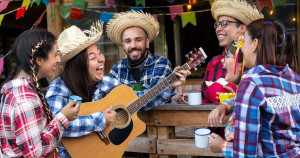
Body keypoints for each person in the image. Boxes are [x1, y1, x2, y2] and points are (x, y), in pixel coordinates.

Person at [211, 19, 300, 157]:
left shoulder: (251, 83)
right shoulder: (295, 79)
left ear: (254, 44)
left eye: (243, 42)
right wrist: (226, 105)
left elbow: (245, 153)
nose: (241, 48)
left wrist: (222, 147)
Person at [0, 29, 80, 157]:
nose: (58, 60)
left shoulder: (17, 90)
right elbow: (34, 153)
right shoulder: (25, 100)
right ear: (39, 60)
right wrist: (63, 118)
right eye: (55, 54)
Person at [45, 22, 118, 157]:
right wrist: (100, 120)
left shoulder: (106, 82)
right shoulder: (58, 89)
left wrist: (168, 86)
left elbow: (133, 96)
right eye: (93, 58)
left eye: (100, 54)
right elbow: (54, 126)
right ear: (79, 66)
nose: (101, 59)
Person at [106, 11, 191, 111]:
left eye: (138, 40)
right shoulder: (117, 69)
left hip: (156, 125)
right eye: (128, 41)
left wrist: (169, 85)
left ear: (147, 43)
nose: (133, 46)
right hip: (123, 125)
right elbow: (109, 103)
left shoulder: (161, 64)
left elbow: (150, 102)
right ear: (123, 45)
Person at [200, 0, 264, 103]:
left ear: (242, 28)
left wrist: (236, 98)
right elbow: (204, 99)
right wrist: (185, 99)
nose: (218, 29)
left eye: (224, 24)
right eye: (217, 25)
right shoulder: (214, 63)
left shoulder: (257, 61)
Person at [207, 41, 244, 157]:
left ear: (240, 64)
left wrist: (223, 146)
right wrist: (224, 106)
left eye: (227, 56)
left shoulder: (251, 95)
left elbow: (255, 150)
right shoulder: (244, 92)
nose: (222, 61)